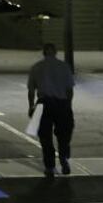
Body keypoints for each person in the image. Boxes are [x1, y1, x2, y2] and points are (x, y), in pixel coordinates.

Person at [27, 43, 75, 177]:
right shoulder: (64, 66)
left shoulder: (36, 67)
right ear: (55, 52)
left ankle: (50, 166)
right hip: (61, 103)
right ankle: (64, 157)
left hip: (43, 103)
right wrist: (68, 105)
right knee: (64, 133)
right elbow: (69, 90)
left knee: (45, 137)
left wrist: (31, 106)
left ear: (43, 52)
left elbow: (31, 90)